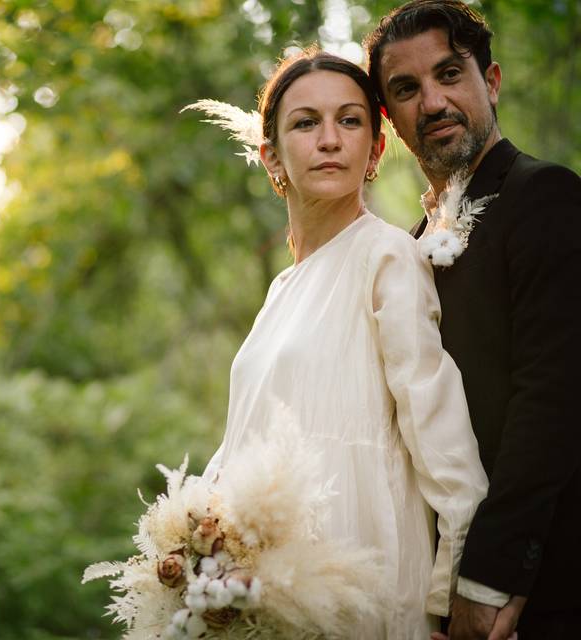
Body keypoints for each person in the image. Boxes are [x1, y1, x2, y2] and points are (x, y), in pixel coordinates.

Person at [191, 48, 488, 638]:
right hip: (265, 589)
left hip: (363, 571)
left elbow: (444, 443)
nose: (330, 139)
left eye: (349, 121)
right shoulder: (281, 289)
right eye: (306, 123)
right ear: (270, 155)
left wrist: (457, 599)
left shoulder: (388, 256)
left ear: (375, 149)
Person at [364, 2, 581, 638]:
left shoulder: (546, 195)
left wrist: (486, 580)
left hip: (540, 585)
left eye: (449, 75)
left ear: (490, 82)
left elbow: (556, 396)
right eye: (406, 89)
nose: (431, 102)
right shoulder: (409, 244)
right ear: (392, 120)